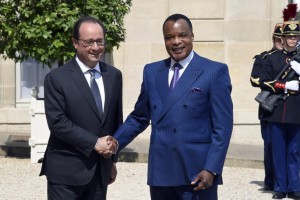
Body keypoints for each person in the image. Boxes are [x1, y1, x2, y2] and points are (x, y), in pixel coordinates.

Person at [113, 13, 233, 200]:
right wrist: (115, 142)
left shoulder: (214, 71)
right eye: (170, 37)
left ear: (192, 36)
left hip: (197, 173)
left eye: (182, 35)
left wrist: (212, 168)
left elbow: (222, 127)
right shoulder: (152, 71)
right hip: (161, 172)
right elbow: (140, 117)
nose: (176, 42)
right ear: (164, 40)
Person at [40, 16, 122, 200]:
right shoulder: (56, 78)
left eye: (100, 41)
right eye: (89, 42)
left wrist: (112, 161)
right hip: (66, 174)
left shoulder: (114, 76)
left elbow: (116, 121)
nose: (95, 47)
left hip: (100, 172)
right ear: (75, 43)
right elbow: (58, 123)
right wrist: (95, 143)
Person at [260, 4, 300, 199]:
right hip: (276, 110)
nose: (292, 39)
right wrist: (285, 86)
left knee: (294, 152)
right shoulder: (272, 58)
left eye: (295, 36)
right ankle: (280, 188)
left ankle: (294, 187)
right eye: (289, 36)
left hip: (296, 111)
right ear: (282, 38)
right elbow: (265, 82)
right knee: (278, 152)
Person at [250, 23, 283, 191]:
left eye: (283, 39)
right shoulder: (263, 58)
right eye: (278, 39)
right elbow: (255, 79)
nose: (281, 42)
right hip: (269, 108)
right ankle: (271, 179)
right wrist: (281, 84)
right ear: (273, 39)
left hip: (290, 109)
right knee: (270, 146)